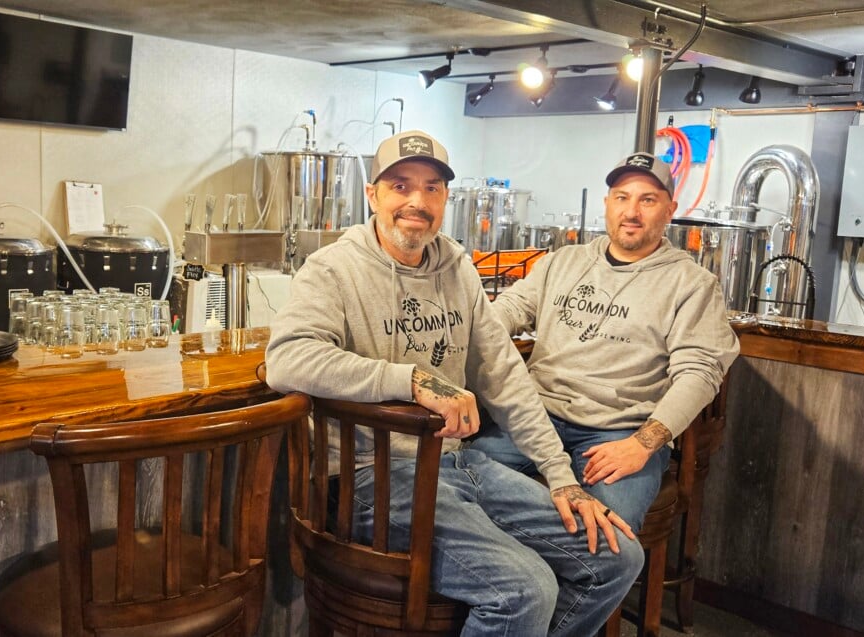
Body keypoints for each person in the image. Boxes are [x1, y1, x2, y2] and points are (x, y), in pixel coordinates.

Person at [265, 130, 643, 637]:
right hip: (367, 480)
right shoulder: (332, 269)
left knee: (617, 559)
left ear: (446, 198)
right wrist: (412, 379)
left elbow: (505, 375)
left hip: (460, 463)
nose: (416, 201)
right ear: (372, 195)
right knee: (525, 590)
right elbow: (287, 359)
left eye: (432, 188)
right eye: (400, 186)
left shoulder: (457, 268)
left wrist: (560, 476)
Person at [470, 152, 740, 530]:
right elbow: (511, 309)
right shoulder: (563, 261)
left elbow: (699, 374)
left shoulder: (692, 284)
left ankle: (547, 581)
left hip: (617, 432)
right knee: (456, 486)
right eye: (621, 197)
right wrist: (468, 329)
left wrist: (642, 445)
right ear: (607, 204)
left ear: (669, 210)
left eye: (647, 200)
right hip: (534, 416)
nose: (632, 211)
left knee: (603, 538)